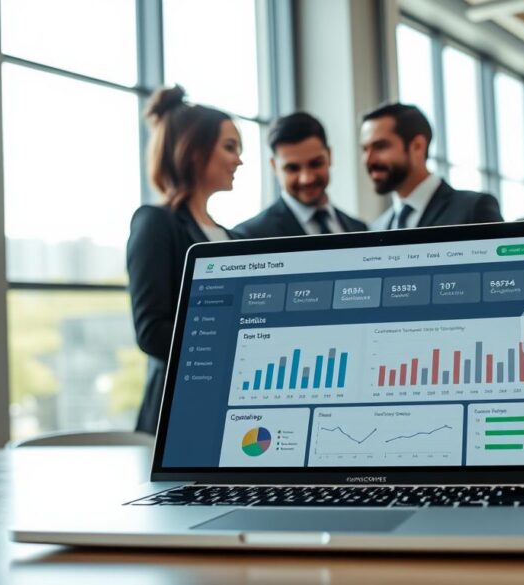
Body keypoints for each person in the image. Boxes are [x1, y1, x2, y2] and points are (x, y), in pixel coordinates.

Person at [127, 85, 243, 434]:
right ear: (194, 151)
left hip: (232, 406)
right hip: (178, 410)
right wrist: (233, 342)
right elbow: (152, 332)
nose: (238, 159)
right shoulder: (156, 223)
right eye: (230, 146)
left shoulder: (233, 237)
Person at [360, 103, 503, 229]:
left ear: (417, 146)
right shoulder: (376, 228)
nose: (368, 159)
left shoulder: (474, 209)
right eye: (364, 149)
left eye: (380, 147)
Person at [234, 112, 366, 238]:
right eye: (292, 168)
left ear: (330, 156)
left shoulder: (360, 229)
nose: (306, 179)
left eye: (315, 164)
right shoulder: (249, 235)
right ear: (274, 166)